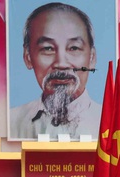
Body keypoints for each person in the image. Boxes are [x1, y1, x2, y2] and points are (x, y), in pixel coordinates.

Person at [10, 2, 101, 139]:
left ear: (92, 58)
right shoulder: (12, 122)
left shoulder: (113, 123)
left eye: (74, 48)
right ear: (28, 57)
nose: (61, 63)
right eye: (48, 48)